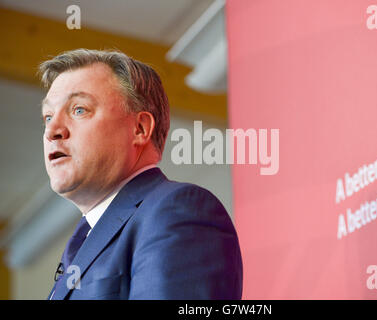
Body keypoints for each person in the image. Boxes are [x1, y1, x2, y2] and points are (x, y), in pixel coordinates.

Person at [39, 49, 243, 300]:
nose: (52, 131)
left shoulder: (179, 210)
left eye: (79, 109)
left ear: (140, 128)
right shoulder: (83, 238)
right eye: (47, 117)